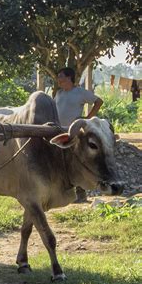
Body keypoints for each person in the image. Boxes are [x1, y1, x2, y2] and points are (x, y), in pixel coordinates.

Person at [55, 67, 104, 203]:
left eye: (61, 76)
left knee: (76, 161)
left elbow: (99, 101)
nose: (58, 79)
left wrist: (87, 119)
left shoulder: (80, 92)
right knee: (60, 161)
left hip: (74, 132)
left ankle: (81, 194)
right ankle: (63, 192)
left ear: (69, 77)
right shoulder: (59, 94)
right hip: (59, 132)